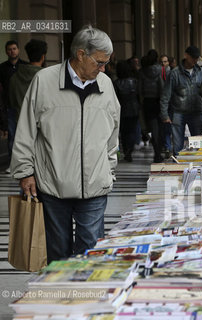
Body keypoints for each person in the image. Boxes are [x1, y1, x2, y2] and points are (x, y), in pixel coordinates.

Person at [10, 25, 121, 263]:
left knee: (90, 252)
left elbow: (113, 132)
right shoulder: (44, 81)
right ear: (81, 54)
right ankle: (60, 297)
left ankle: (85, 298)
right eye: (99, 62)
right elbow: (26, 131)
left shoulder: (105, 84)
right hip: (53, 185)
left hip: (95, 186)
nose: (104, 69)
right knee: (57, 254)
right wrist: (25, 172)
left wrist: (109, 170)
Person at [160, 46, 202, 155]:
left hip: (196, 112)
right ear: (186, 56)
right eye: (193, 58)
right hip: (178, 112)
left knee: (198, 145)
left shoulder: (200, 72)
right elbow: (166, 94)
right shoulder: (175, 73)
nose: (194, 61)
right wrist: (165, 114)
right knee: (178, 145)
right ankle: (178, 167)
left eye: (196, 58)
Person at [0, 40, 27, 172]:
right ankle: (12, 164)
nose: (12, 51)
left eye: (14, 48)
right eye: (9, 49)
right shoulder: (2, 68)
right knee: (12, 136)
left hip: (23, 106)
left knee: (24, 136)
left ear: (18, 50)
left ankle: (25, 164)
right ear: (6, 51)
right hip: (10, 107)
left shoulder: (25, 66)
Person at [8, 39, 48, 124]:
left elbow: (11, 104)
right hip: (41, 126)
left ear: (28, 56)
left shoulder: (14, 78)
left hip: (20, 126)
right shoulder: (48, 78)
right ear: (43, 57)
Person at [139, 49, 164, 163]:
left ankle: (156, 152)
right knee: (161, 128)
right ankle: (159, 152)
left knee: (154, 128)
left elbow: (140, 88)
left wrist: (141, 100)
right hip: (159, 101)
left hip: (148, 101)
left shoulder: (142, 71)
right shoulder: (160, 70)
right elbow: (162, 86)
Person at [113, 60, 140, 162]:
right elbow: (138, 95)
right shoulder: (134, 81)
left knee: (124, 133)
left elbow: (115, 98)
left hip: (122, 110)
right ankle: (130, 150)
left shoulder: (116, 83)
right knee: (132, 131)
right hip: (134, 109)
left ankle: (126, 151)